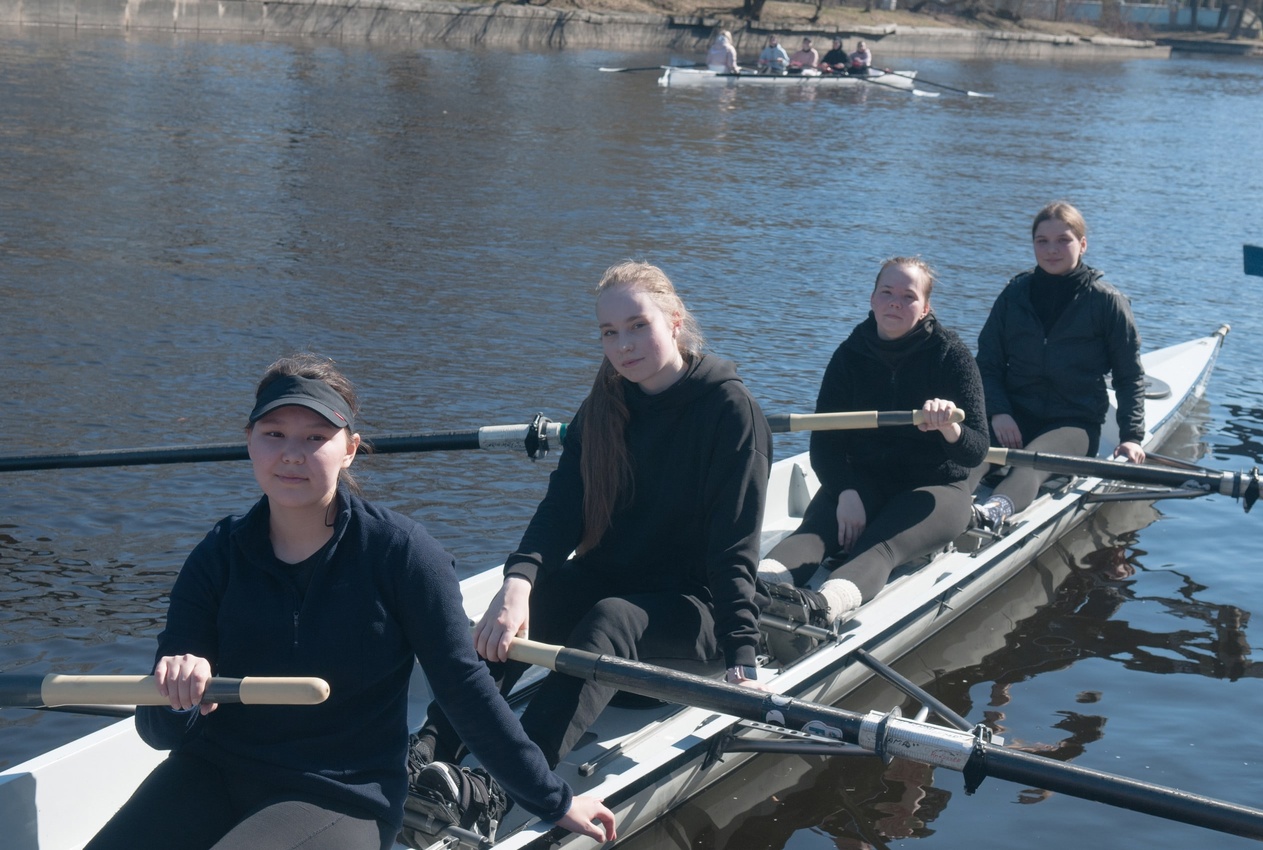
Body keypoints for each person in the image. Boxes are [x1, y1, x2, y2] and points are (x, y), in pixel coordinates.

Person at [84, 355, 615, 850]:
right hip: (212, 769)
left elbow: (467, 693)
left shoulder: (403, 555)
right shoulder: (218, 554)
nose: (292, 453)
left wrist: (552, 798)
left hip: (342, 792)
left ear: (351, 448)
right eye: (274, 434)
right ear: (249, 441)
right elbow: (156, 733)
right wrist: (175, 692)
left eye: (316, 436)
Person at [413, 260, 773, 798]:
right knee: (540, 597)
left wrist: (742, 654)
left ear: (675, 320)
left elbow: (733, 550)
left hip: (696, 616)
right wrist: (517, 586)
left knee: (609, 617)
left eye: (637, 325)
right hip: (618, 611)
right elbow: (562, 509)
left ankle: (498, 787)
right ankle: (427, 751)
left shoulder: (730, 411)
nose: (623, 345)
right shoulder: (605, 404)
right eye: (609, 332)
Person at [757, 257, 989, 627]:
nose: (895, 302)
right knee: (815, 532)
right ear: (872, 299)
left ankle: (821, 608)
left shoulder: (952, 356)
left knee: (880, 546)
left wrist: (950, 427)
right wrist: (846, 490)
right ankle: (756, 592)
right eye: (887, 293)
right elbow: (825, 445)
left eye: (908, 296)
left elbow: (977, 449)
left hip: (934, 487)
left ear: (925, 307)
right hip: (863, 480)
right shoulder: (849, 355)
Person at [969, 201, 1146, 532]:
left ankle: (992, 512)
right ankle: (947, 510)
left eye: (1063, 240)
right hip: (1015, 413)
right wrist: (998, 411)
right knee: (974, 454)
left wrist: (1132, 436)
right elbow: (987, 364)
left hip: (1074, 422)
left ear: (1082, 244)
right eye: (1042, 241)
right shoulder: (1014, 294)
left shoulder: (1107, 302)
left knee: (1032, 463)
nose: (1051, 250)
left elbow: (1129, 376)